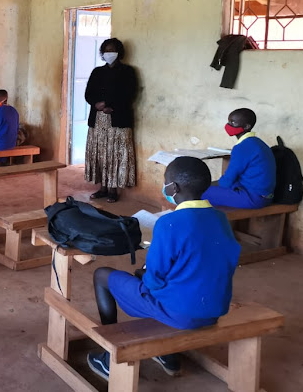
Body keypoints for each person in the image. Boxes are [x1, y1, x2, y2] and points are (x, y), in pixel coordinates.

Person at [87, 157, 240, 381]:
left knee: (102, 275)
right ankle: (168, 355)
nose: (165, 186)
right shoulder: (221, 219)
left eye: (166, 181)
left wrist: (144, 275)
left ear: (174, 188)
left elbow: (154, 280)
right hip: (215, 308)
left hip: (180, 313)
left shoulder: (169, 223)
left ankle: (109, 354)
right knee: (178, 282)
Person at [84, 38, 137, 203]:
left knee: (115, 154)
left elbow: (129, 94)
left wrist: (111, 106)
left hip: (118, 120)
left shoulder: (128, 72)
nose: (109, 53)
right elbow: (88, 93)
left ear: (119, 52)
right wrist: (96, 104)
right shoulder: (97, 72)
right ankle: (102, 188)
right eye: (106, 50)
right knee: (101, 155)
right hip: (99, 120)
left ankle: (113, 190)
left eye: (112, 50)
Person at [202, 108, 275, 209]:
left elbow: (226, 181)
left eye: (233, 122)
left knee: (198, 192)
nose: (228, 125)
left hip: (254, 198)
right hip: (265, 195)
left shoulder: (243, 147)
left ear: (246, 126)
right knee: (210, 189)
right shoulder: (258, 143)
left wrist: (204, 185)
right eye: (228, 121)